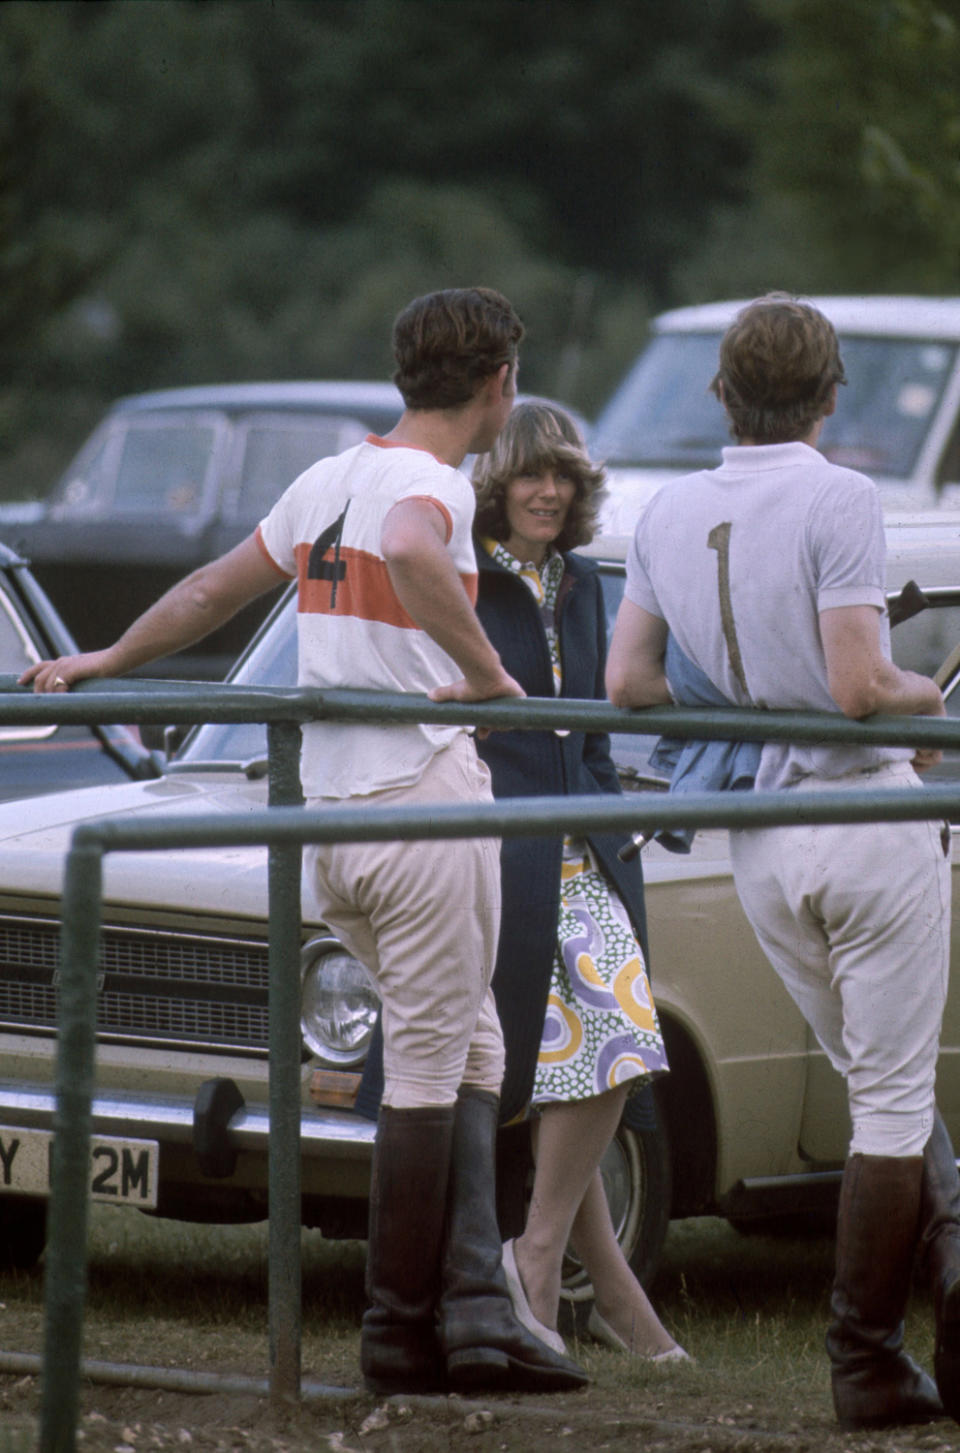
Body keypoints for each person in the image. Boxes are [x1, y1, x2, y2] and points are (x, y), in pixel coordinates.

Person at [20, 287, 587, 1398]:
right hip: (420, 802)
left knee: (470, 1046)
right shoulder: (427, 486)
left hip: (335, 819)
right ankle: (396, 1331)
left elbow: (207, 589)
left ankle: (477, 1316)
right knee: (432, 1064)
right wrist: (487, 675)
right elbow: (421, 553)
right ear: (497, 385)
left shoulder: (328, 477)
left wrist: (106, 658)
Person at [606, 292, 960, 1429]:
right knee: (895, 1103)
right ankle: (865, 1357)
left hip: (762, 834)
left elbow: (631, 685)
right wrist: (925, 696)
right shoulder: (841, 494)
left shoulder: (666, 508)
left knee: (875, 1080)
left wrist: (749, 687)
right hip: (862, 814)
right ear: (830, 393)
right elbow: (861, 684)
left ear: (721, 391)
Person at [452, 399, 687, 1361]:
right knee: (605, 1044)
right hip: (501, 845)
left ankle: (552, 1270)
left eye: (563, 476)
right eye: (529, 474)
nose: (547, 491)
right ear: (496, 484)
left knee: (602, 1048)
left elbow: (592, 737)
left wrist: (615, 837)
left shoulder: (588, 585)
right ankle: (553, 1266)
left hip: (585, 841)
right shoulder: (465, 581)